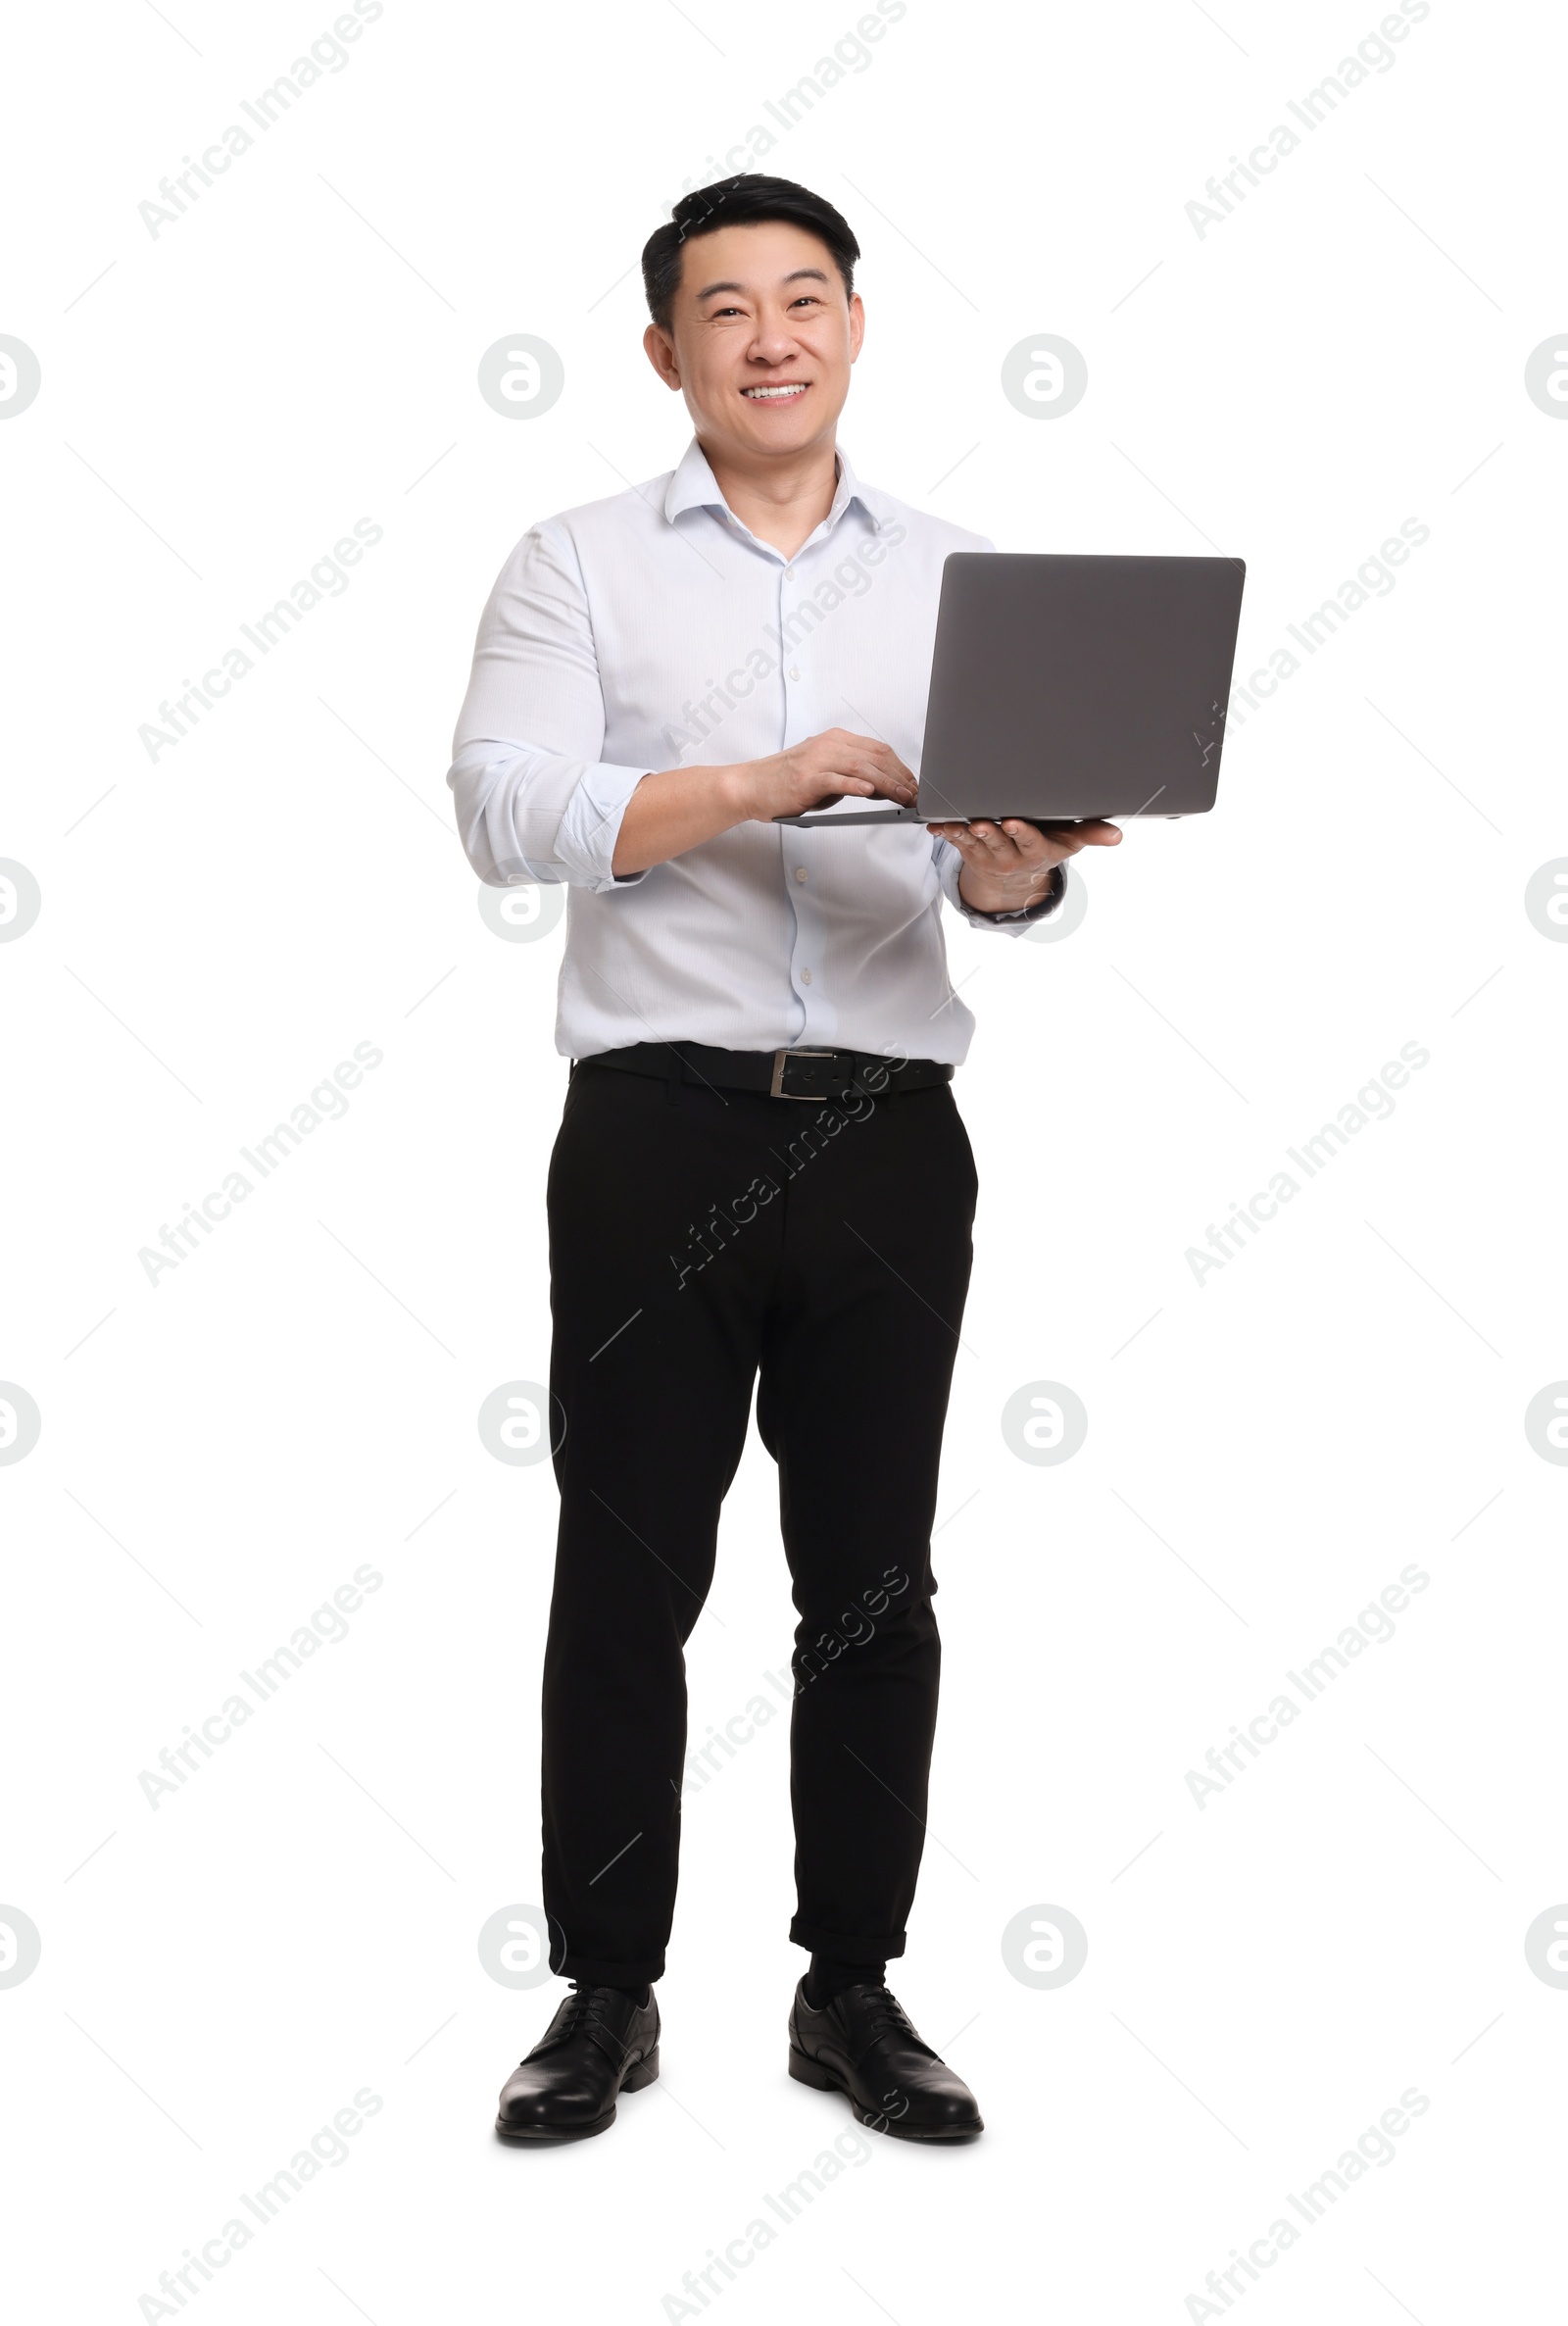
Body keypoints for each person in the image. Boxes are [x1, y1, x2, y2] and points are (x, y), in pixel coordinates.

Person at [446, 173, 1122, 2146]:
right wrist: (759, 775)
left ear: (851, 327)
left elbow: (978, 866)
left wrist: (1003, 879)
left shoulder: (956, 575)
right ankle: (601, 1989)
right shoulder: (573, 562)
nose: (768, 336)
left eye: (803, 298)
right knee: (626, 1569)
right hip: (656, 1127)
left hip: (887, 1141)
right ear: (666, 352)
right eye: (723, 308)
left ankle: (850, 1983)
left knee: (872, 1586)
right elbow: (503, 809)